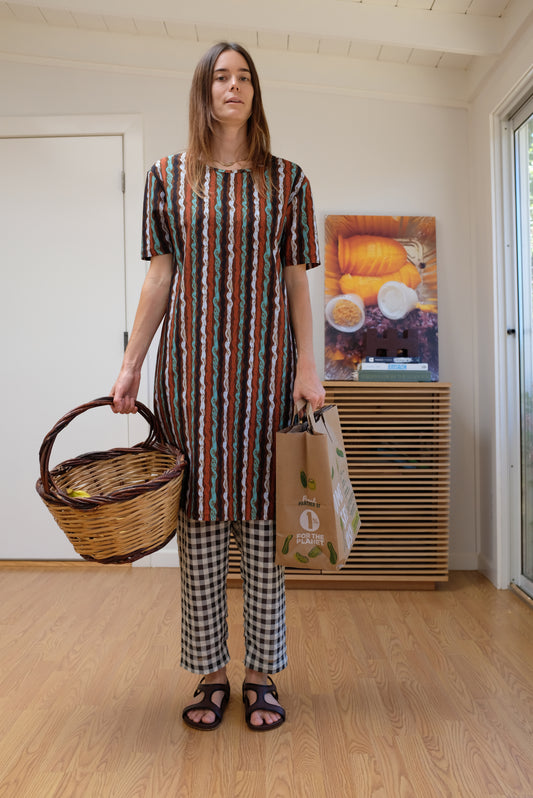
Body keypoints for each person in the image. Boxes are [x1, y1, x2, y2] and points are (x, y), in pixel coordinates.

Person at [111, 41, 325, 731]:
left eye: (243, 78)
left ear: (255, 93)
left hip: (268, 378)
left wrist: (308, 366)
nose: (232, 87)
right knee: (199, 529)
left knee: (264, 531)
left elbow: (297, 279)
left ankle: (260, 676)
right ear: (204, 94)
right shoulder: (167, 177)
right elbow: (159, 278)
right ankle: (209, 676)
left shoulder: (287, 180)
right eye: (220, 77)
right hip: (192, 380)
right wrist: (130, 364)